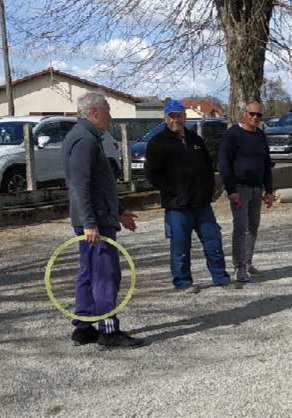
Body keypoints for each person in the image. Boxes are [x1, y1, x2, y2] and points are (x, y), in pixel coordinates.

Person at [62, 92, 141, 349]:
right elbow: (79, 186)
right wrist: (89, 223)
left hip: (98, 218)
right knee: (105, 274)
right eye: (108, 111)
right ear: (94, 113)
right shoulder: (84, 140)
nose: (111, 116)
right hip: (94, 222)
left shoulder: (88, 138)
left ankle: (84, 327)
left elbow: (100, 186)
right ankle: (108, 331)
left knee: (89, 271)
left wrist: (119, 211)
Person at [145, 100, 230, 293]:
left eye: (179, 116)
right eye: (172, 116)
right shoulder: (157, 143)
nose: (176, 120)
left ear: (185, 117)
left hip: (201, 204)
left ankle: (220, 276)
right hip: (177, 206)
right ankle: (183, 282)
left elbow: (208, 168)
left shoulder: (195, 140)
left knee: (213, 241)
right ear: (166, 118)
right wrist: (173, 191)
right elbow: (153, 175)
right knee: (180, 246)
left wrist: (210, 190)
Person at [219, 100, 275, 283]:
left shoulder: (260, 135)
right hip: (240, 188)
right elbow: (224, 164)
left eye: (259, 115)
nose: (255, 118)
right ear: (244, 114)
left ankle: (248, 262)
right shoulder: (232, 134)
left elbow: (266, 164)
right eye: (252, 114)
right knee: (240, 228)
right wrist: (231, 190)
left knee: (253, 227)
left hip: (257, 188)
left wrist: (269, 190)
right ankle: (239, 267)